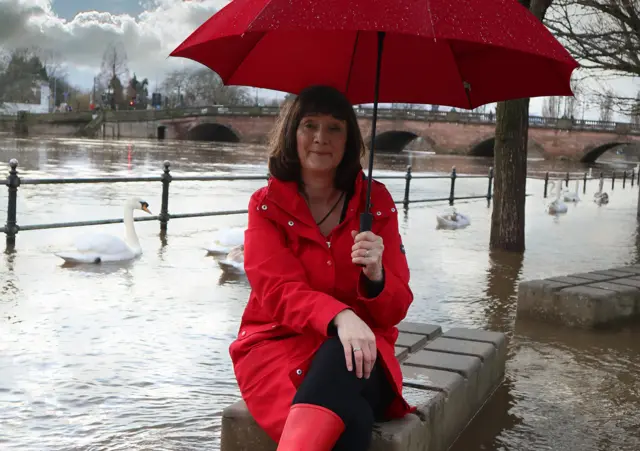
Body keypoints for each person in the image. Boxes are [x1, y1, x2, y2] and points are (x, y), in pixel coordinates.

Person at [228, 85, 415, 451]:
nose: (320, 138)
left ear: (349, 139)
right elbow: (278, 291)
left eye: (334, 128)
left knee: (340, 356)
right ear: (292, 132)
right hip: (278, 345)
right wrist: (341, 317)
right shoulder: (266, 206)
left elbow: (397, 307)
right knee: (354, 417)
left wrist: (377, 277)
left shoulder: (375, 203)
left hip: (361, 355)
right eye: (309, 125)